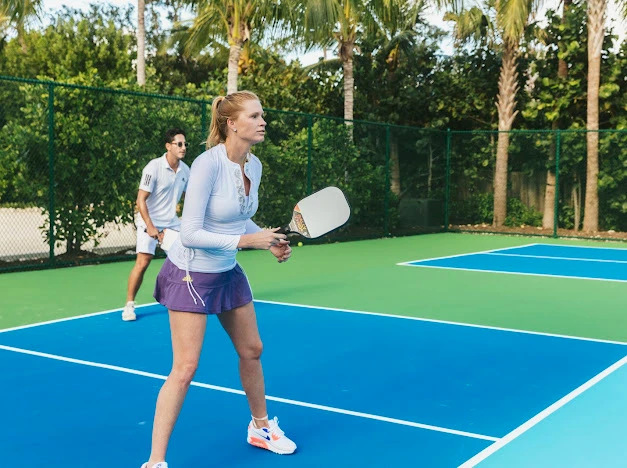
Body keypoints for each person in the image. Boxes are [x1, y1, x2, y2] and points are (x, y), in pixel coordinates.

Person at [140, 91, 296, 468]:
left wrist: (267, 241)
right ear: (232, 124)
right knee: (185, 369)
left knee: (252, 350)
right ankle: (155, 461)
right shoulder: (207, 165)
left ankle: (260, 427)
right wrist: (248, 241)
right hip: (191, 274)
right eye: (256, 116)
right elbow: (190, 232)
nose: (263, 122)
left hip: (227, 272)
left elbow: (239, 216)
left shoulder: (253, 166)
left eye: (263, 115)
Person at [122, 128, 190, 322]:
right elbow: (140, 200)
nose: (183, 147)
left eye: (185, 144)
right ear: (168, 146)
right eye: (179, 144)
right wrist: (150, 226)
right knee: (143, 261)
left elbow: (191, 197)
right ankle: (129, 305)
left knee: (185, 261)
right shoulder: (153, 167)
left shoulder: (186, 170)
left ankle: (183, 300)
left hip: (172, 223)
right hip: (148, 219)